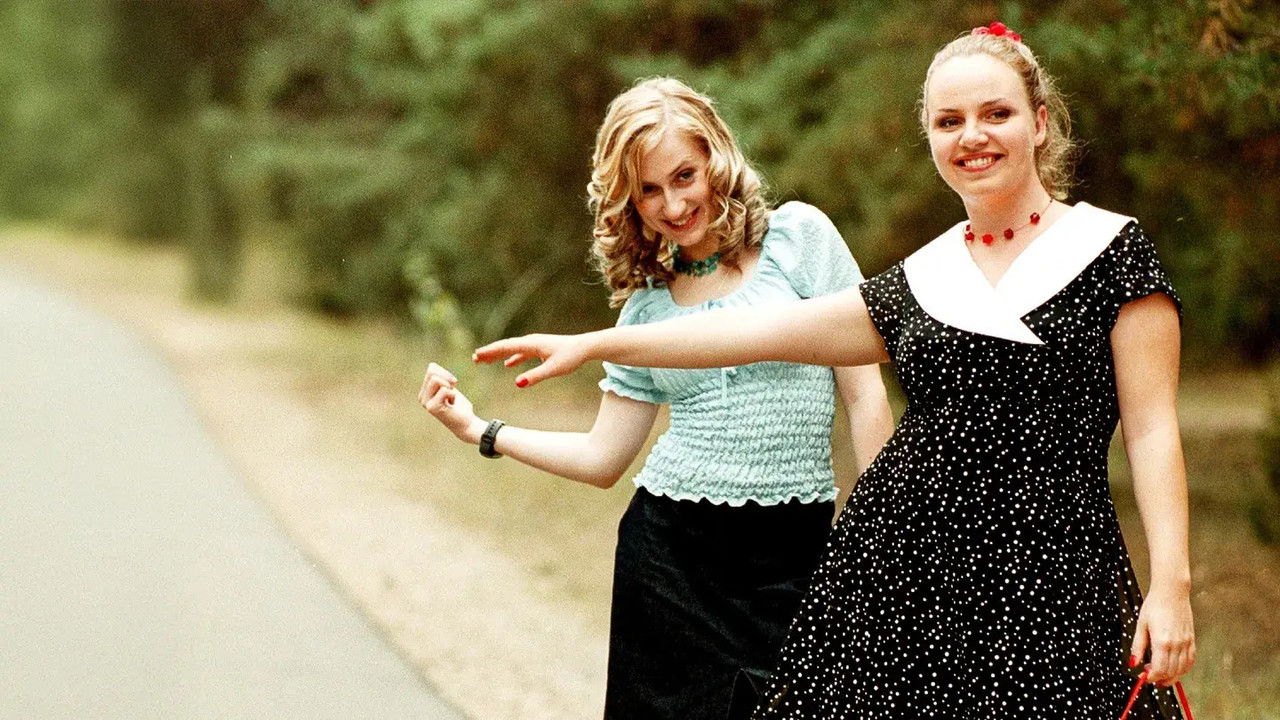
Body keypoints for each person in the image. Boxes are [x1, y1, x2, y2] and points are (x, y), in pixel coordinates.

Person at [473, 25, 1196, 719]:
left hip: (1057, 576)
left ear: (1039, 122)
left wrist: (1172, 586)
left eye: (995, 114)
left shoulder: (1111, 251)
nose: (971, 136)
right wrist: (594, 343)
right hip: (909, 574)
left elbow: (1153, 430)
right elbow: (750, 331)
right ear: (930, 138)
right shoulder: (924, 275)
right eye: (948, 121)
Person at [418, 77, 894, 720]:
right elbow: (603, 458)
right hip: (672, 561)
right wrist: (481, 430)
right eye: (648, 189)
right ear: (629, 202)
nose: (673, 204)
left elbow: (864, 394)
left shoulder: (800, 240)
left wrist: (881, 532)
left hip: (794, 552)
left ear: (715, 159)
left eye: (684, 175)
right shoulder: (644, 312)